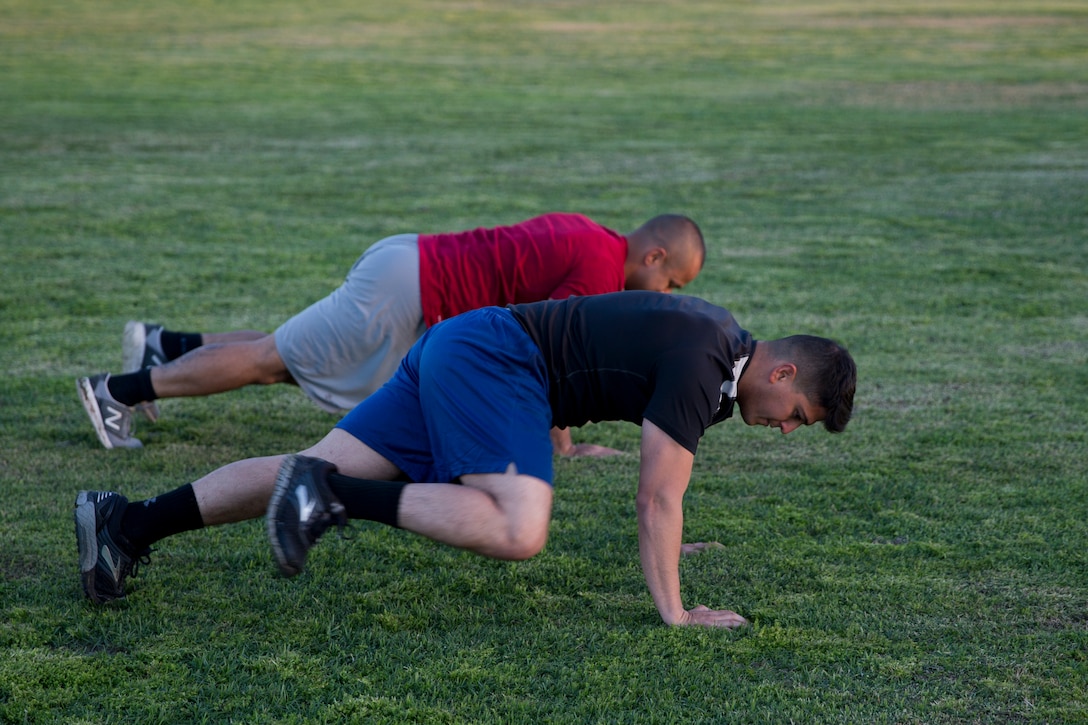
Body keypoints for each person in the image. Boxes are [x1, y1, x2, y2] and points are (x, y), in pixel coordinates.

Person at [75, 291, 856, 628]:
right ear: (782, 374)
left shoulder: (717, 352)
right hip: (497, 362)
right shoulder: (705, 361)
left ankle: (127, 524)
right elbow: (656, 497)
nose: (787, 429)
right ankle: (333, 497)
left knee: (303, 462)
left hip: (468, 345)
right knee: (519, 527)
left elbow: (666, 494)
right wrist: (677, 612)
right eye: (798, 416)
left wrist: (673, 547)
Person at [76, 212, 706, 451]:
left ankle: (163, 346)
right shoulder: (599, 271)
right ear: (653, 256)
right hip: (408, 294)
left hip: (408, 269)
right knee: (276, 359)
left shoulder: (592, 234)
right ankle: (116, 392)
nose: (668, 296)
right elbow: (553, 361)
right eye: (672, 283)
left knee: (285, 349)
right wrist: (565, 446)